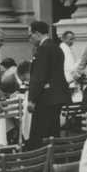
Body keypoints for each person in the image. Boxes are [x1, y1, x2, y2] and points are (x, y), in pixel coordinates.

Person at [26, 20, 71, 151]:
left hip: (45, 99)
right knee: (53, 131)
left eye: (30, 35)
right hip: (56, 97)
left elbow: (39, 77)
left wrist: (32, 99)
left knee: (40, 134)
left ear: (38, 34)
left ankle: (41, 166)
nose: (29, 39)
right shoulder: (57, 47)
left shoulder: (43, 49)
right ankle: (53, 161)